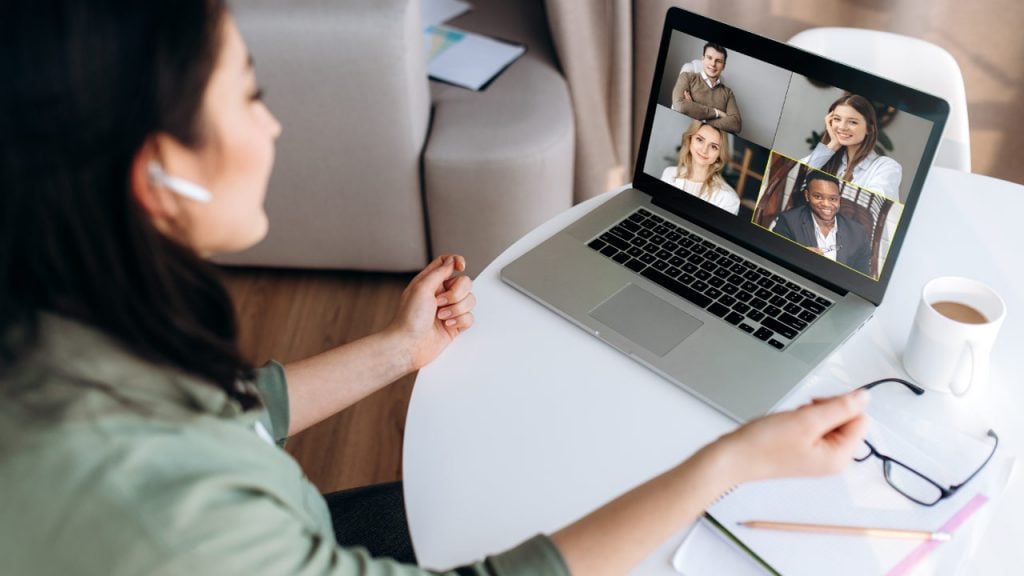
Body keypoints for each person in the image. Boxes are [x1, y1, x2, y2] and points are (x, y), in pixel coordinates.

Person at [0, 2, 871, 575]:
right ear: (160, 175)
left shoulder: (58, 324)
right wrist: (731, 463)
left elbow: (235, 413)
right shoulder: (175, 523)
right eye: (250, 95)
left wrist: (402, 349)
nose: (271, 125)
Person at [802, 93, 902, 201]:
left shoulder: (887, 167)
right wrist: (832, 145)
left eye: (853, 122)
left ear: (870, 128)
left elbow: (871, 206)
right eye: (837, 119)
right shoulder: (829, 159)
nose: (842, 127)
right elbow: (794, 176)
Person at [772, 171, 871, 275]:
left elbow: (862, 277)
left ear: (839, 199)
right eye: (818, 197)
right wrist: (798, 255)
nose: (826, 204)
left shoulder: (859, 233)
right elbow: (773, 257)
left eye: (833, 199)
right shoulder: (789, 222)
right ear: (807, 195)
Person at [660, 121, 741, 215]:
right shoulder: (669, 173)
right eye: (700, 140)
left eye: (713, 147)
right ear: (690, 140)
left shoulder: (729, 199)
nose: (704, 150)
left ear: (719, 154)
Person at [670, 43, 742, 133]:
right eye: (709, 58)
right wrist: (717, 113)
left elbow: (736, 124)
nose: (713, 64)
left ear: (723, 66)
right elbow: (680, 106)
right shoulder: (687, 77)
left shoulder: (728, 93)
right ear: (703, 59)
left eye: (718, 61)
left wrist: (695, 113)